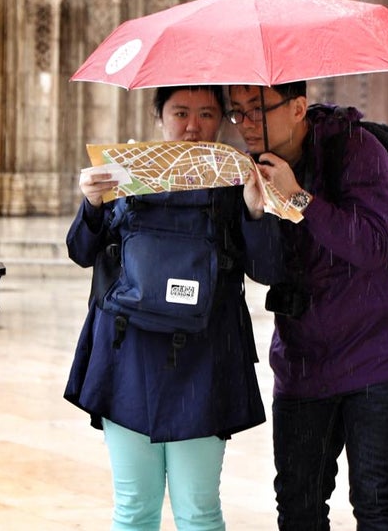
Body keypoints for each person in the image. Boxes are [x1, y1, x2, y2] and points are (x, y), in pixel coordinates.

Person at [65, 85, 280, 530]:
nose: (192, 126)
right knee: (133, 509)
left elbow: (267, 268)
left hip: (205, 361)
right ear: (159, 115)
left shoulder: (234, 179)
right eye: (180, 112)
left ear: (222, 121)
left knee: (199, 512)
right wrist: (91, 201)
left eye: (206, 114)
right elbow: (81, 251)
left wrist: (258, 214)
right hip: (127, 357)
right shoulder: (125, 173)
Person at [226, 82, 388, 530]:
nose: (246, 124)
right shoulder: (255, 168)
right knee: (298, 506)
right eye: (236, 112)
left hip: (379, 357)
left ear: (298, 108)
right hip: (303, 362)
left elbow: (372, 245)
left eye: (257, 109)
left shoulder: (358, 149)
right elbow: (266, 270)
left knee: (377, 504)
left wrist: (299, 198)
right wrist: (256, 213)